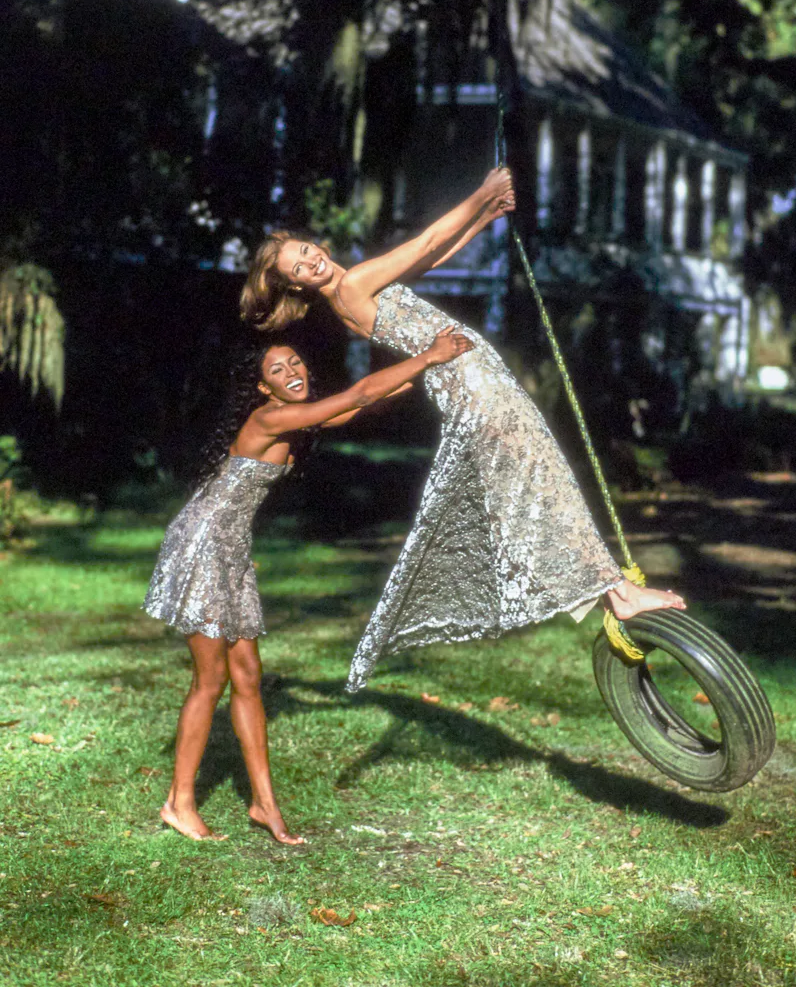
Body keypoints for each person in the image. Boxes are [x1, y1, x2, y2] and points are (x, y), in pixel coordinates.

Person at [239, 168, 686, 694]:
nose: (312, 261)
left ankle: (610, 590)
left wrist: (486, 221)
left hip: (471, 381)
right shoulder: (353, 285)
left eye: (307, 251)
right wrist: (482, 192)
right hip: (472, 382)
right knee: (543, 486)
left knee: (539, 485)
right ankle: (617, 594)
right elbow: (425, 239)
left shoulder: (352, 287)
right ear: (295, 284)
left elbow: (429, 259)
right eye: (300, 267)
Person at [142, 327, 473, 841]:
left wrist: (426, 374)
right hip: (201, 547)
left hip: (229, 549)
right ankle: (178, 802)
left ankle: (264, 804)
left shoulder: (293, 420)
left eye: (295, 362)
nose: (292, 373)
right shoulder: (269, 418)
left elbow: (355, 407)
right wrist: (430, 354)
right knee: (211, 681)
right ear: (263, 390)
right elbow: (358, 395)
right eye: (278, 370)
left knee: (248, 677)